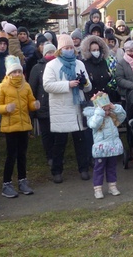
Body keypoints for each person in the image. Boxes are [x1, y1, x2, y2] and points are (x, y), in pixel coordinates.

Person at [43, 34, 93, 183]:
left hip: (78, 107)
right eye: (66, 48)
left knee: (80, 141)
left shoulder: (79, 64)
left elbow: (88, 87)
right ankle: (56, 171)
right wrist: (67, 85)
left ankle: (83, 169)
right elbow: (47, 85)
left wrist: (84, 83)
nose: (69, 50)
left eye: (71, 47)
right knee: (60, 142)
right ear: (60, 49)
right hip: (62, 108)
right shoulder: (52, 65)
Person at [0, 56, 39, 198]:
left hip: (24, 125)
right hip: (10, 127)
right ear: (8, 74)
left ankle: (22, 181)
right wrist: (6, 108)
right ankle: (6, 184)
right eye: (14, 72)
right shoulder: (2, 87)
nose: (17, 74)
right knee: (11, 155)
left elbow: (30, 102)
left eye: (19, 71)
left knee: (22, 155)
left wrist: (34, 105)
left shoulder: (26, 86)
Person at [83, 92, 126, 198]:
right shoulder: (93, 117)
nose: (107, 112)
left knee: (112, 167)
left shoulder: (112, 116)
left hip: (112, 147)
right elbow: (93, 125)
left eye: (108, 110)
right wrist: (99, 113)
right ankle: (98, 189)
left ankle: (112, 186)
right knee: (99, 169)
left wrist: (114, 107)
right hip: (101, 148)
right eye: (105, 110)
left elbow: (122, 116)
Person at [29, 43, 57, 168]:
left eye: (53, 52)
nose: (51, 55)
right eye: (48, 53)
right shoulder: (37, 68)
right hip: (43, 105)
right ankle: (50, 156)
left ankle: (57, 156)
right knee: (47, 134)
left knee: (57, 133)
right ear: (44, 54)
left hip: (57, 105)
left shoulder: (59, 65)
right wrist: (33, 109)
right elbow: (32, 88)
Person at [82, 35, 118, 103]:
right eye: (93, 50)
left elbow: (109, 77)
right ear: (88, 51)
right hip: (91, 99)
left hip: (106, 98)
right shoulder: (84, 64)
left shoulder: (103, 62)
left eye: (98, 50)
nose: (96, 52)